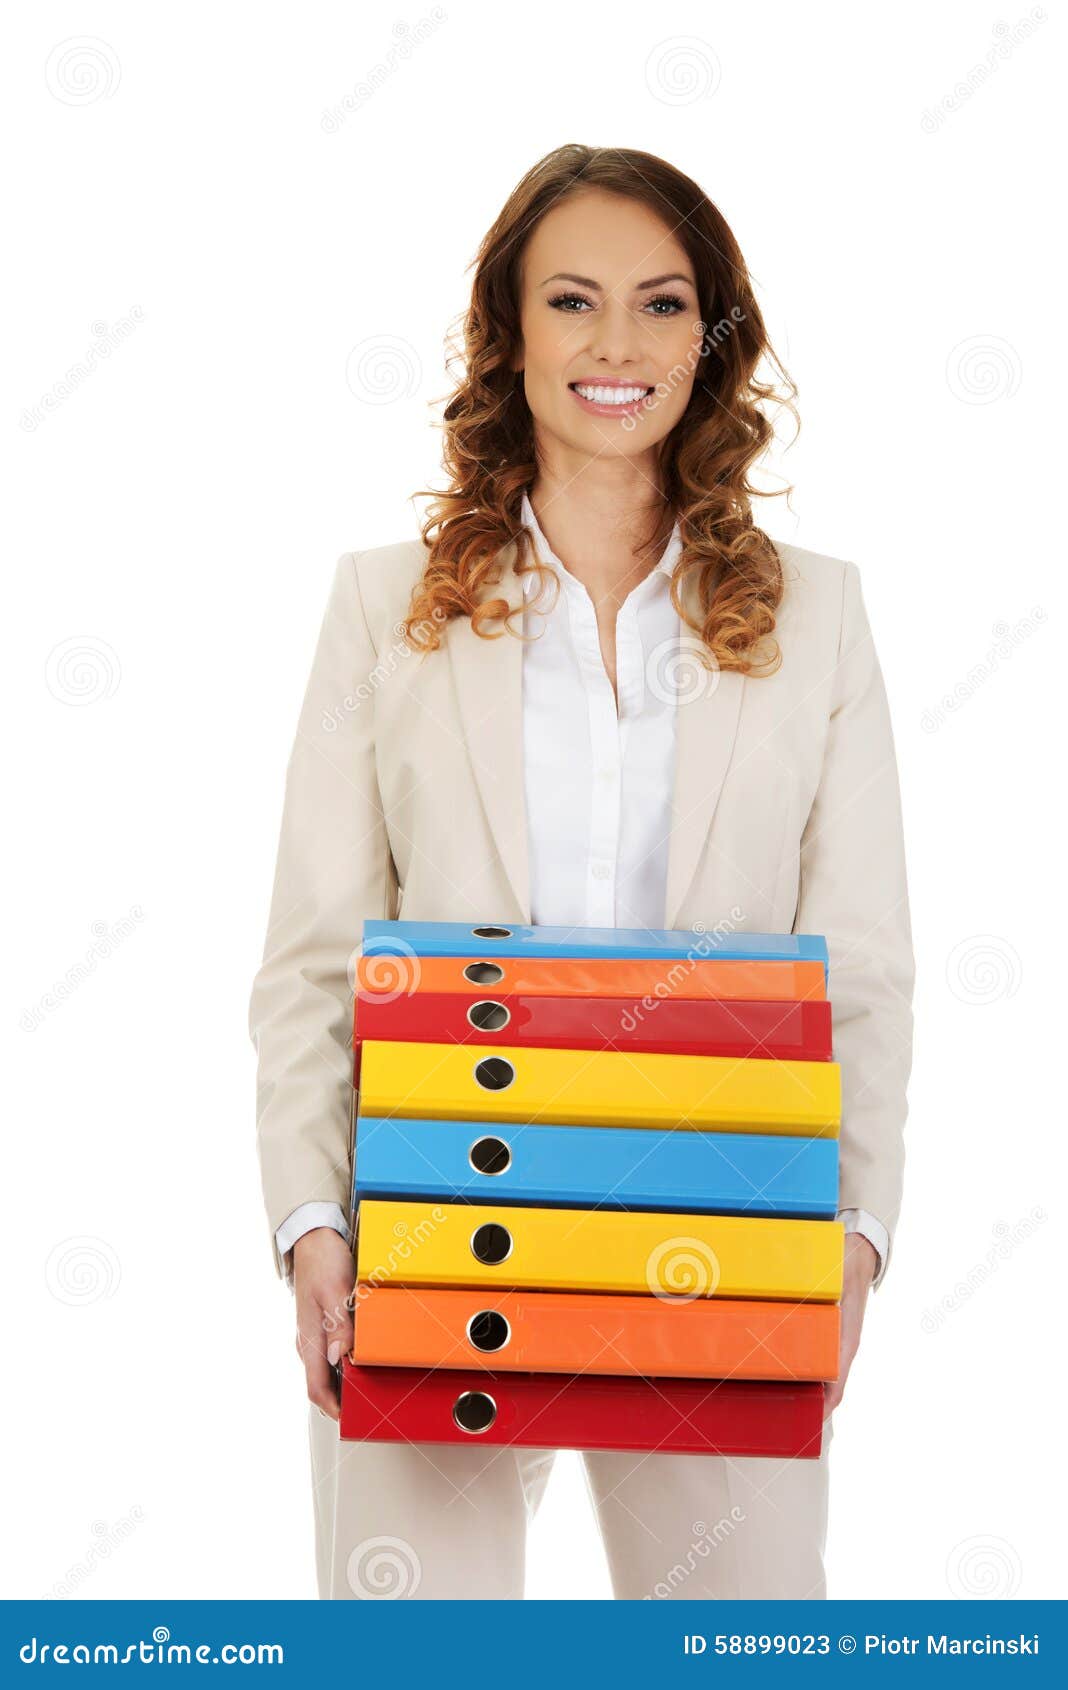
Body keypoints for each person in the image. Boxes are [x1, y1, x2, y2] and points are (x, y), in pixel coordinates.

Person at [247, 143, 915, 1601]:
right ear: (511, 332)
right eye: (572, 300)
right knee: (421, 1649)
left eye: (663, 304)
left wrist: (853, 1239)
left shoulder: (821, 618)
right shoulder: (385, 608)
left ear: (710, 339)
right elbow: (312, 952)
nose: (618, 345)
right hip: (431, 1215)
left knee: (738, 1644)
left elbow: (861, 966)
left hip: (727, 1215)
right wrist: (311, 1218)